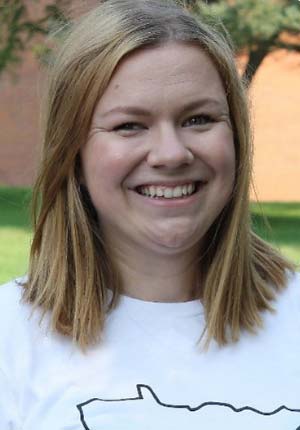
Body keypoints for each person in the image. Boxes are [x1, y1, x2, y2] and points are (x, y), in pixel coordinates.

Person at [0, 0, 299, 428]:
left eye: (198, 119)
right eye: (129, 126)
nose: (171, 153)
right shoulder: (9, 339)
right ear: (73, 154)